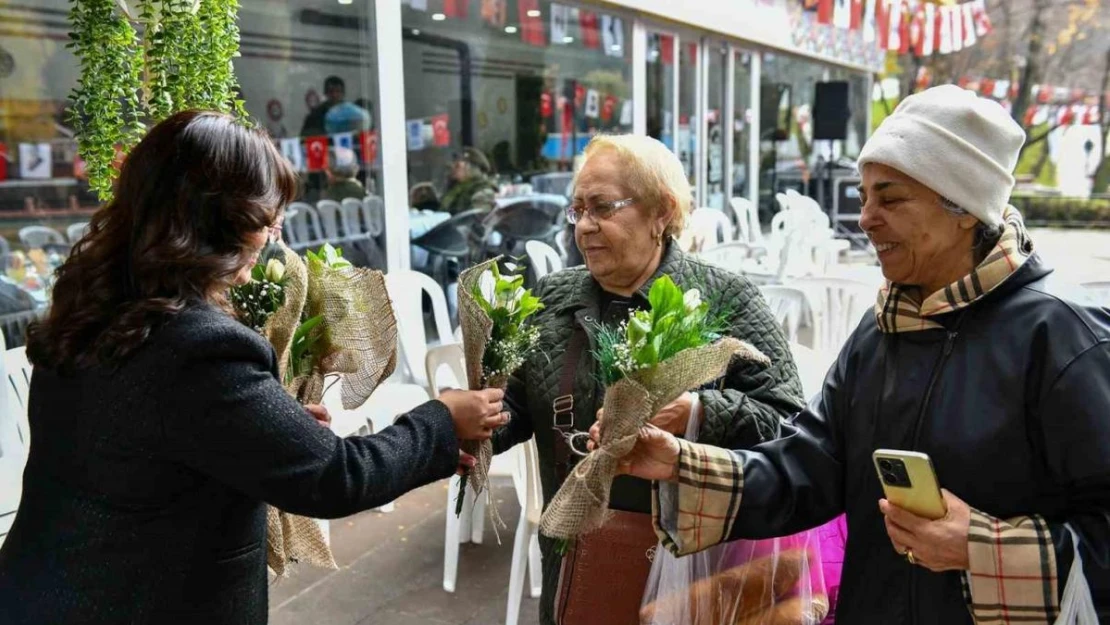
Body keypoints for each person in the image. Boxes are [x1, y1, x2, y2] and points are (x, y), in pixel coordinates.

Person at [607, 86, 1110, 623]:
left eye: (890, 198)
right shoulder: (879, 333)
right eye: (864, 195)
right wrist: (682, 463)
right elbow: (810, 469)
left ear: (965, 209)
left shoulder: (1064, 338)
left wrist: (983, 547)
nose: (866, 217)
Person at [0, 111, 508, 625]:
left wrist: (264, 428)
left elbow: (145, 442)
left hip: (45, 585)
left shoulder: (90, 308)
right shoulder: (200, 347)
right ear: (214, 222)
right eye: (265, 220)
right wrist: (441, 419)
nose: (271, 237)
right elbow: (335, 476)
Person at [492, 134, 805, 624]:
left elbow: (790, 422)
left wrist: (697, 413)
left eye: (602, 207)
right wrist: (469, 421)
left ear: (662, 211)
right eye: (578, 211)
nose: (585, 227)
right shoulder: (555, 297)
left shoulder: (727, 299)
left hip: (696, 568)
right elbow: (515, 405)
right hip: (579, 562)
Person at [442, 146, 498, 215]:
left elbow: (478, 218)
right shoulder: (455, 187)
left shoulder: (482, 189)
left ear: (470, 168)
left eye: (457, 165)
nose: (453, 168)